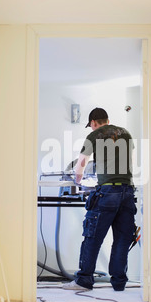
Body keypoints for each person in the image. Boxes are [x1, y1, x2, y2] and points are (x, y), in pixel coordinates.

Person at [63, 107, 137, 292]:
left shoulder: (95, 135)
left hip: (107, 192)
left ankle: (84, 281)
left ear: (94, 123)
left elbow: (81, 164)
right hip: (127, 191)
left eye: (91, 125)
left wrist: (78, 181)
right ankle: (119, 283)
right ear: (108, 119)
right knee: (122, 238)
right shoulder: (126, 134)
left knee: (92, 237)